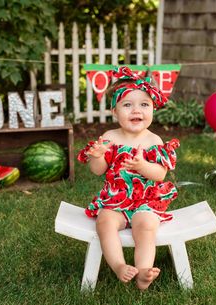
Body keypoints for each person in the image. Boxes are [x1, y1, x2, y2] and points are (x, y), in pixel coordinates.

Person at [77, 66, 180, 290]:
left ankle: (143, 271)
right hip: (116, 198)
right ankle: (118, 265)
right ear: (114, 112)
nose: (137, 110)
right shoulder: (110, 137)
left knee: (145, 226)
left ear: (153, 108)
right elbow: (98, 170)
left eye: (144, 104)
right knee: (104, 222)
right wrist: (97, 156)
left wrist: (143, 166)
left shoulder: (154, 140)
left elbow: (160, 175)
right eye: (127, 104)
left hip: (146, 200)